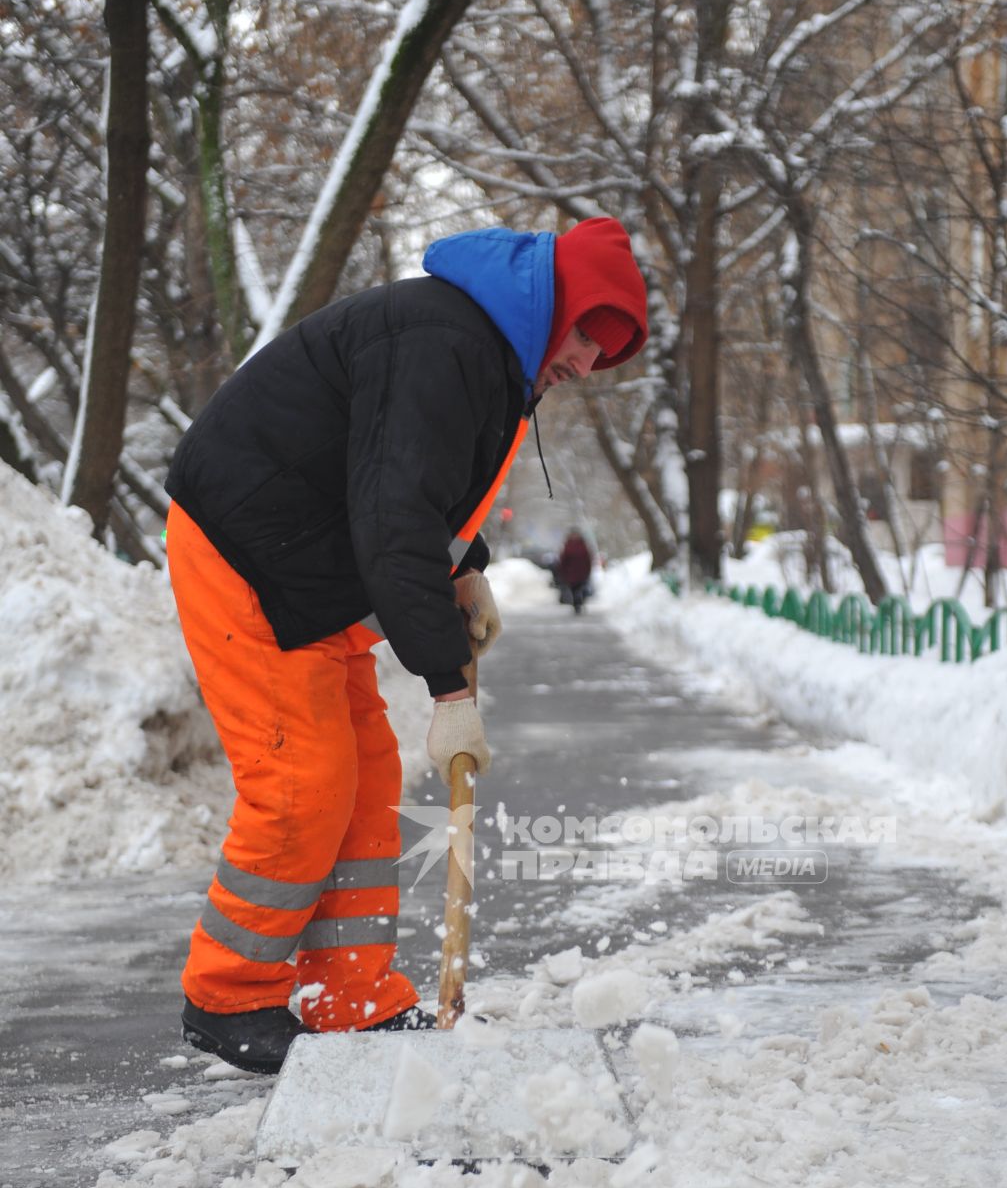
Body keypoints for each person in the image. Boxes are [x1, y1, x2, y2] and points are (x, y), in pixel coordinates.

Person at [164, 217, 648, 1073]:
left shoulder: (484, 351)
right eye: (583, 341)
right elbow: (391, 518)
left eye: (597, 358)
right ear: (558, 303)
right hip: (248, 553)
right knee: (302, 780)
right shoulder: (445, 342)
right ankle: (226, 993)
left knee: (366, 774)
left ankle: (351, 995)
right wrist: (448, 692)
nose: (581, 367)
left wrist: (464, 567)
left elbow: (418, 487)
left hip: (312, 564)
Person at [557, 529, 593, 613]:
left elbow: (588, 559)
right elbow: (563, 560)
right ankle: (577, 604)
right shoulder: (568, 546)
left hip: (580, 572)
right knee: (575, 589)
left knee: (581, 589)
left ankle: (579, 602)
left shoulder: (582, 545)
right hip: (572, 573)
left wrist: (588, 569)